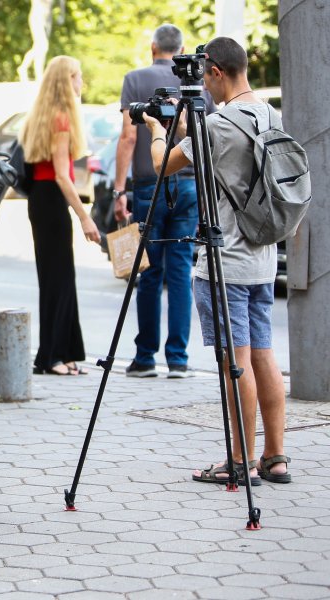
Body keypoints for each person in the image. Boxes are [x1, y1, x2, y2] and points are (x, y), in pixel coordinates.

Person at [142, 37, 290, 485]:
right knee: (263, 356)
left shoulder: (222, 122)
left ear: (217, 71)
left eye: (205, 77)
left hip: (226, 260)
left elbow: (162, 163)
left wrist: (156, 128)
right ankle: (275, 457)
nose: (204, 86)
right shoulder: (268, 114)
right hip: (263, 255)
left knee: (235, 361)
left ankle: (240, 461)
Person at [114, 24, 215, 379]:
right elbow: (206, 139)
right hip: (187, 185)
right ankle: (178, 358)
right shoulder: (197, 83)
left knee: (150, 273)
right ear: (181, 48)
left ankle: (144, 357)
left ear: (153, 46)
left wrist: (118, 190)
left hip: (147, 185)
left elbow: (128, 136)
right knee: (180, 271)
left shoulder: (135, 78)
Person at [19, 56, 100, 377]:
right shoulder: (62, 119)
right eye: (78, 76)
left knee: (56, 280)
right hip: (52, 200)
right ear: (67, 81)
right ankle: (52, 357)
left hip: (40, 201)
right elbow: (62, 176)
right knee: (60, 280)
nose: (82, 82)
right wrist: (85, 216)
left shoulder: (39, 116)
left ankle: (62, 355)